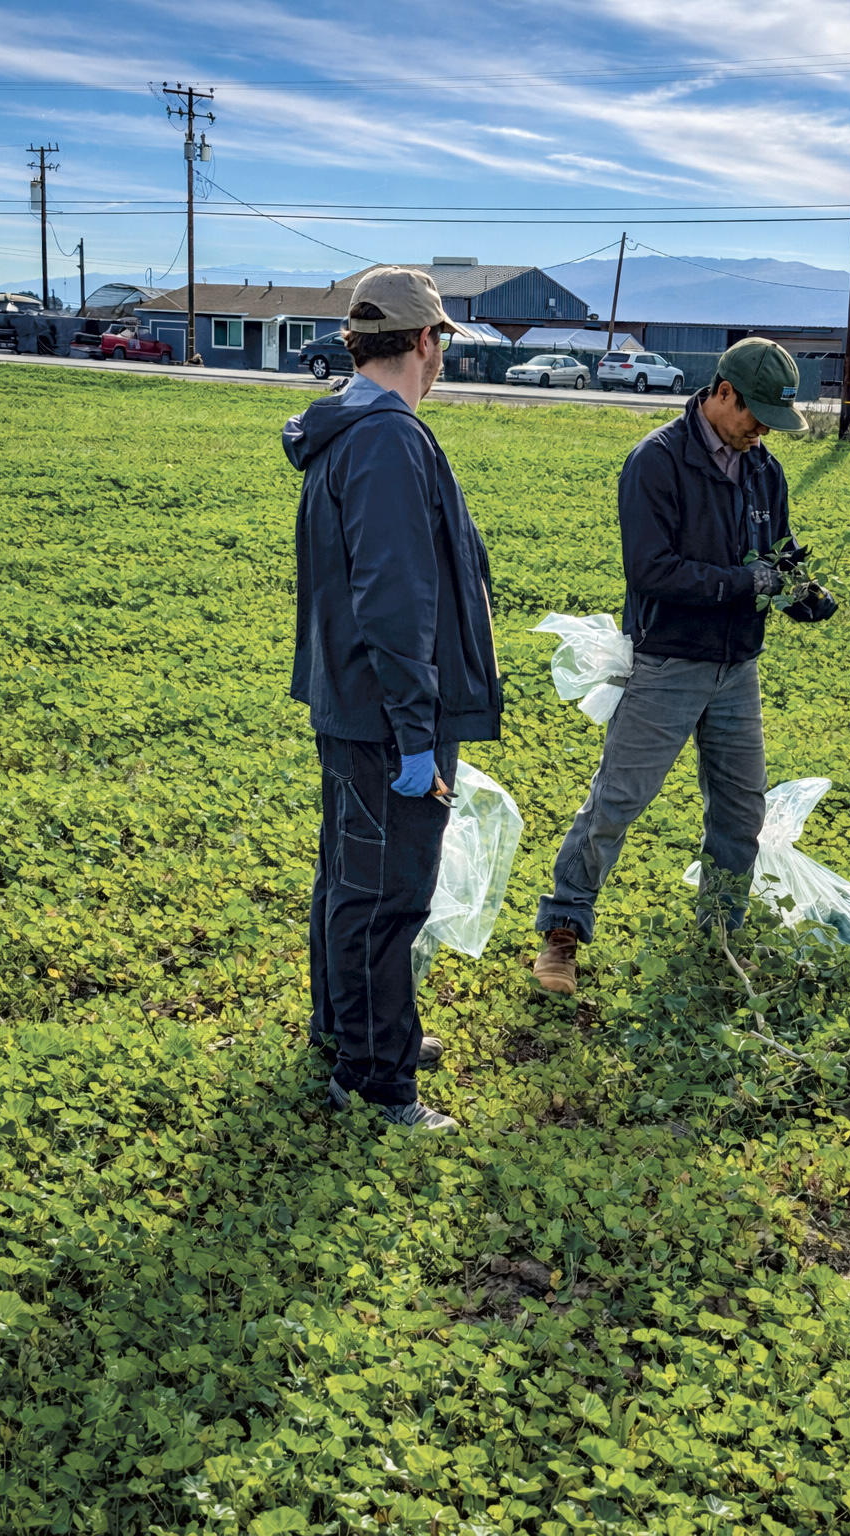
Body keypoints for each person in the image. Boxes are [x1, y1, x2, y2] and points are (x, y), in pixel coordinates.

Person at [532, 337, 837, 995]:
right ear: (722, 392)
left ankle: (720, 938)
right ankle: (561, 935)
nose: (761, 431)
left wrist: (801, 591)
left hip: (737, 670)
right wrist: (745, 584)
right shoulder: (657, 462)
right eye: (755, 415)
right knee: (617, 800)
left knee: (738, 815)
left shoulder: (764, 471)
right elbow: (651, 570)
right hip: (668, 663)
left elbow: (777, 557)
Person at [283, 267, 502, 1129]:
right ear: (424, 341)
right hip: (385, 717)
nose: (442, 355)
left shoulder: (357, 426)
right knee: (385, 894)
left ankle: (351, 1028)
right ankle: (374, 1079)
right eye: (442, 340)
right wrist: (417, 735)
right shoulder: (387, 439)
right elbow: (395, 597)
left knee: (350, 874)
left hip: (356, 705)